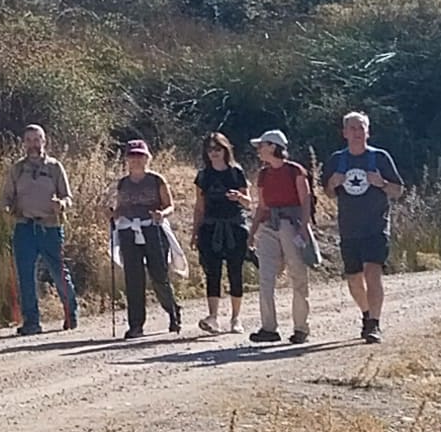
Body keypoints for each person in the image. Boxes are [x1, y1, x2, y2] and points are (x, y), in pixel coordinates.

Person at [327, 111, 407, 343]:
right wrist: (332, 184)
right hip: (349, 228)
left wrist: (381, 183)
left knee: (373, 273)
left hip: (376, 227)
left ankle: (374, 323)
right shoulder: (337, 160)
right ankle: (366, 313)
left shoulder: (380, 158)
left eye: (361, 128)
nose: (357, 132)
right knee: (354, 279)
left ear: (368, 132)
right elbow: (329, 193)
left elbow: (398, 191)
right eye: (352, 128)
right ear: (344, 133)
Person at [2, 126, 78, 334]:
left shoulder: (54, 167)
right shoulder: (17, 169)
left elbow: (68, 197)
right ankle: (31, 322)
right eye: (29, 140)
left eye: (37, 140)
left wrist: (61, 204)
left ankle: (70, 313)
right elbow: (7, 196)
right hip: (24, 227)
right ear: (24, 143)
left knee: (58, 272)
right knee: (25, 276)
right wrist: (7, 208)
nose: (33, 144)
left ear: (44, 141)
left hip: (50, 227)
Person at [246, 130, 318, 345]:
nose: (259, 150)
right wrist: (253, 231)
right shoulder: (264, 174)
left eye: (262, 145)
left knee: (297, 275)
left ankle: (300, 327)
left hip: (290, 225)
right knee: (266, 277)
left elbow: (305, 200)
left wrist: (304, 227)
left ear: (272, 146)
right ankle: (269, 328)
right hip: (269, 226)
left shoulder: (295, 171)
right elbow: (262, 205)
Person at [108, 138, 182, 337]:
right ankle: (136, 325)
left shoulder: (157, 180)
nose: (136, 160)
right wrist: (114, 213)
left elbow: (169, 205)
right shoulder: (123, 183)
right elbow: (121, 207)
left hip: (153, 229)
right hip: (128, 231)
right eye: (132, 156)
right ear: (127, 159)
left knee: (159, 275)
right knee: (133, 278)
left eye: (140, 156)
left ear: (147, 157)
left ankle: (173, 311)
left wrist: (162, 214)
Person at [190, 133, 255, 336]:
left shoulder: (236, 173)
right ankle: (213, 318)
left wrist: (239, 197)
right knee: (212, 272)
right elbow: (199, 206)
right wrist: (195, 231)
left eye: (217, 149)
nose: (213, 153)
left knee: (235, 272)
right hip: (210, 227)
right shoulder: (203, 175)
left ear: (225, 150)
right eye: (210, 149)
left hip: (235, 227)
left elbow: (249, 203)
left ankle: (236, 319)